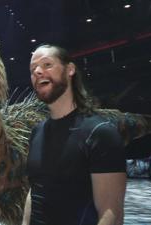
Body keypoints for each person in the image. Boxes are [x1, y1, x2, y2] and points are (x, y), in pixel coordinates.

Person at [22, 44, 127, 225]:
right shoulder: (37, 132)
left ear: (70, 69)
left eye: (47, 64)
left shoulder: (100, 133)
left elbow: (111, 214)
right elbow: (36, 190)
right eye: (33, 69)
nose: (38, 71)